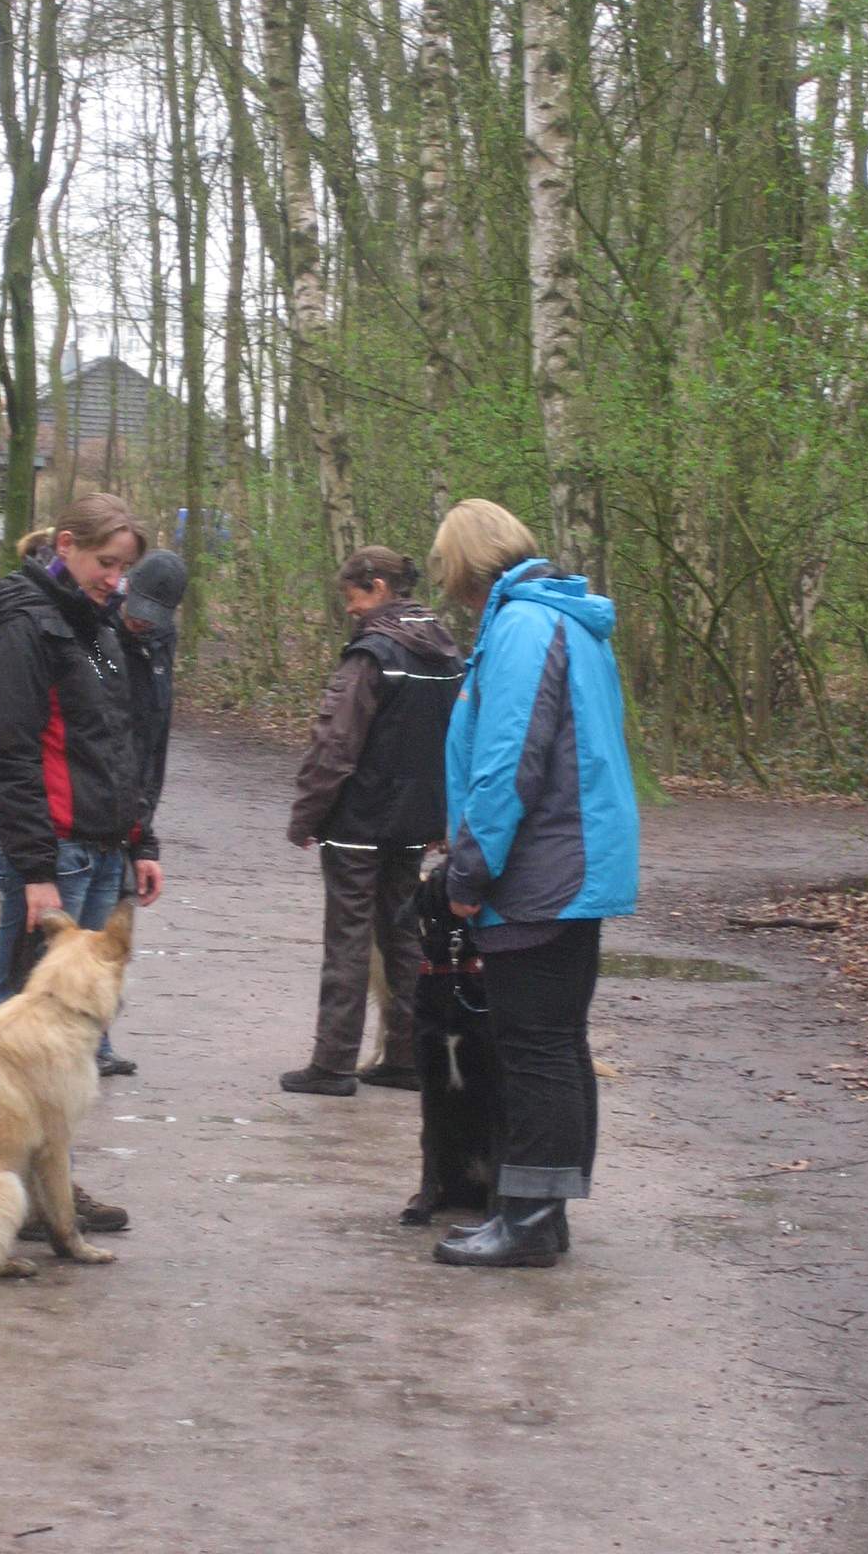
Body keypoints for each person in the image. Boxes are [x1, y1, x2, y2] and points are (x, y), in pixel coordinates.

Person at [426, 499, 638, 1267]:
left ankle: (529, 1222)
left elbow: (508, 764)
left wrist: (467, 872)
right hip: (574, 861)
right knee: (557, 1043)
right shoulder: (563, 621)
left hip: (542, 869)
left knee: (535, 1049)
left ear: (462, 566)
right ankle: (543, 1213)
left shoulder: (522, 627)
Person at [0, 492, 162, 1232]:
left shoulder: (96, 623)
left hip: (104, 849)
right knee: (22, 1031)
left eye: (124, 568)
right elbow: (10, 757)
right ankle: (7, 1185)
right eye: (106, 563)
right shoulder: (24, 625)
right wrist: (36, 871)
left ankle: (50, 1189)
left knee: (70, 1047)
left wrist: (141, 841)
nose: (116, 579)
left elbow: (117, 741)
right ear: (67, 545)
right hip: (54, 855)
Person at [280, 546, 465, 1096]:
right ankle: (406, 1057)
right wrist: (444, 817)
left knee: (348, 940)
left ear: (378, 587)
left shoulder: (372, 654)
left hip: (358, 823)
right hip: (416, 825)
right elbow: (461, 741)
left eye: (352, 596)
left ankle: (333, 1064)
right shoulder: (448, 653)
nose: (350, 608)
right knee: (405, 937)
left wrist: (307, 814)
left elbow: (335, 743)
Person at [97, 548, 189, 1077]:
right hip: (89, 809)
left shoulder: (160, 644)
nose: (140, 622)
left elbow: (153, 745)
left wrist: (144, 840)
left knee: (113, 932)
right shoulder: (96, 635)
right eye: (136, 609)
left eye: (153, 616)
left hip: (128, 815)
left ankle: (98, 1039)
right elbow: (102, 730)